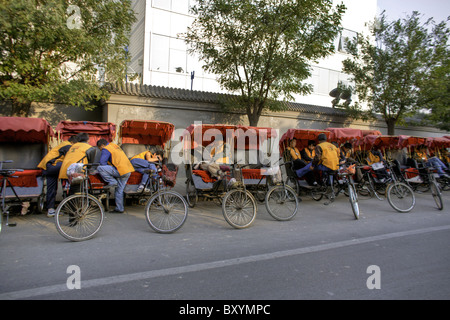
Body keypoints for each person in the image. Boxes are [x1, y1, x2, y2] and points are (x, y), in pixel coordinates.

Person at [38, 135, 78, 217]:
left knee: (51, 188)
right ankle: (67, 186)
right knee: (70, 167)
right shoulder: (68, 146)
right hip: (53, 165)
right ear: (74, 142)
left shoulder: (63, 144)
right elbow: (71, 159)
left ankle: (50, 210)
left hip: (48, 166)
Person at [97, 139, 135, 213]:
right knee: (119, 191)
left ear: (102, 145)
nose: (101, 150)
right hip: (128, 170)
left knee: (100, 168)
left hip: (120, 170)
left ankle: (112, 181)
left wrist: (108, 174)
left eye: (100, 149)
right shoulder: (115, 146)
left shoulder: (106, 148)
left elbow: (102, 162)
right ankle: (119, 208)